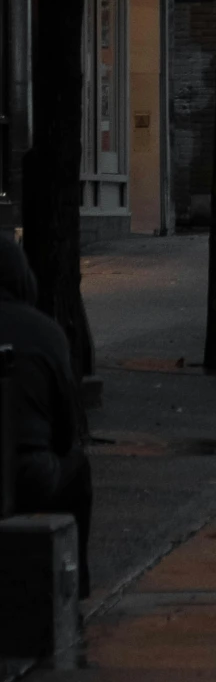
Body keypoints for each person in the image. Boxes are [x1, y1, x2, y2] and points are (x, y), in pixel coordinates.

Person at [0, 236, 92, 595]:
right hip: (29, 474)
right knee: (77, 470)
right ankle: (76, 584)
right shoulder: (46, 332)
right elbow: (66, 432)